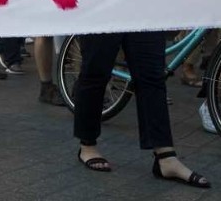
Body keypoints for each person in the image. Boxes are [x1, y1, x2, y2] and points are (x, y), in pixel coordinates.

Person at [74, 32, 210, 188]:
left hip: (142, 11)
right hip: (103, 10)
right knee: (96, 71)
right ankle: (87, 145)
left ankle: (165, 155)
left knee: (152, 75)